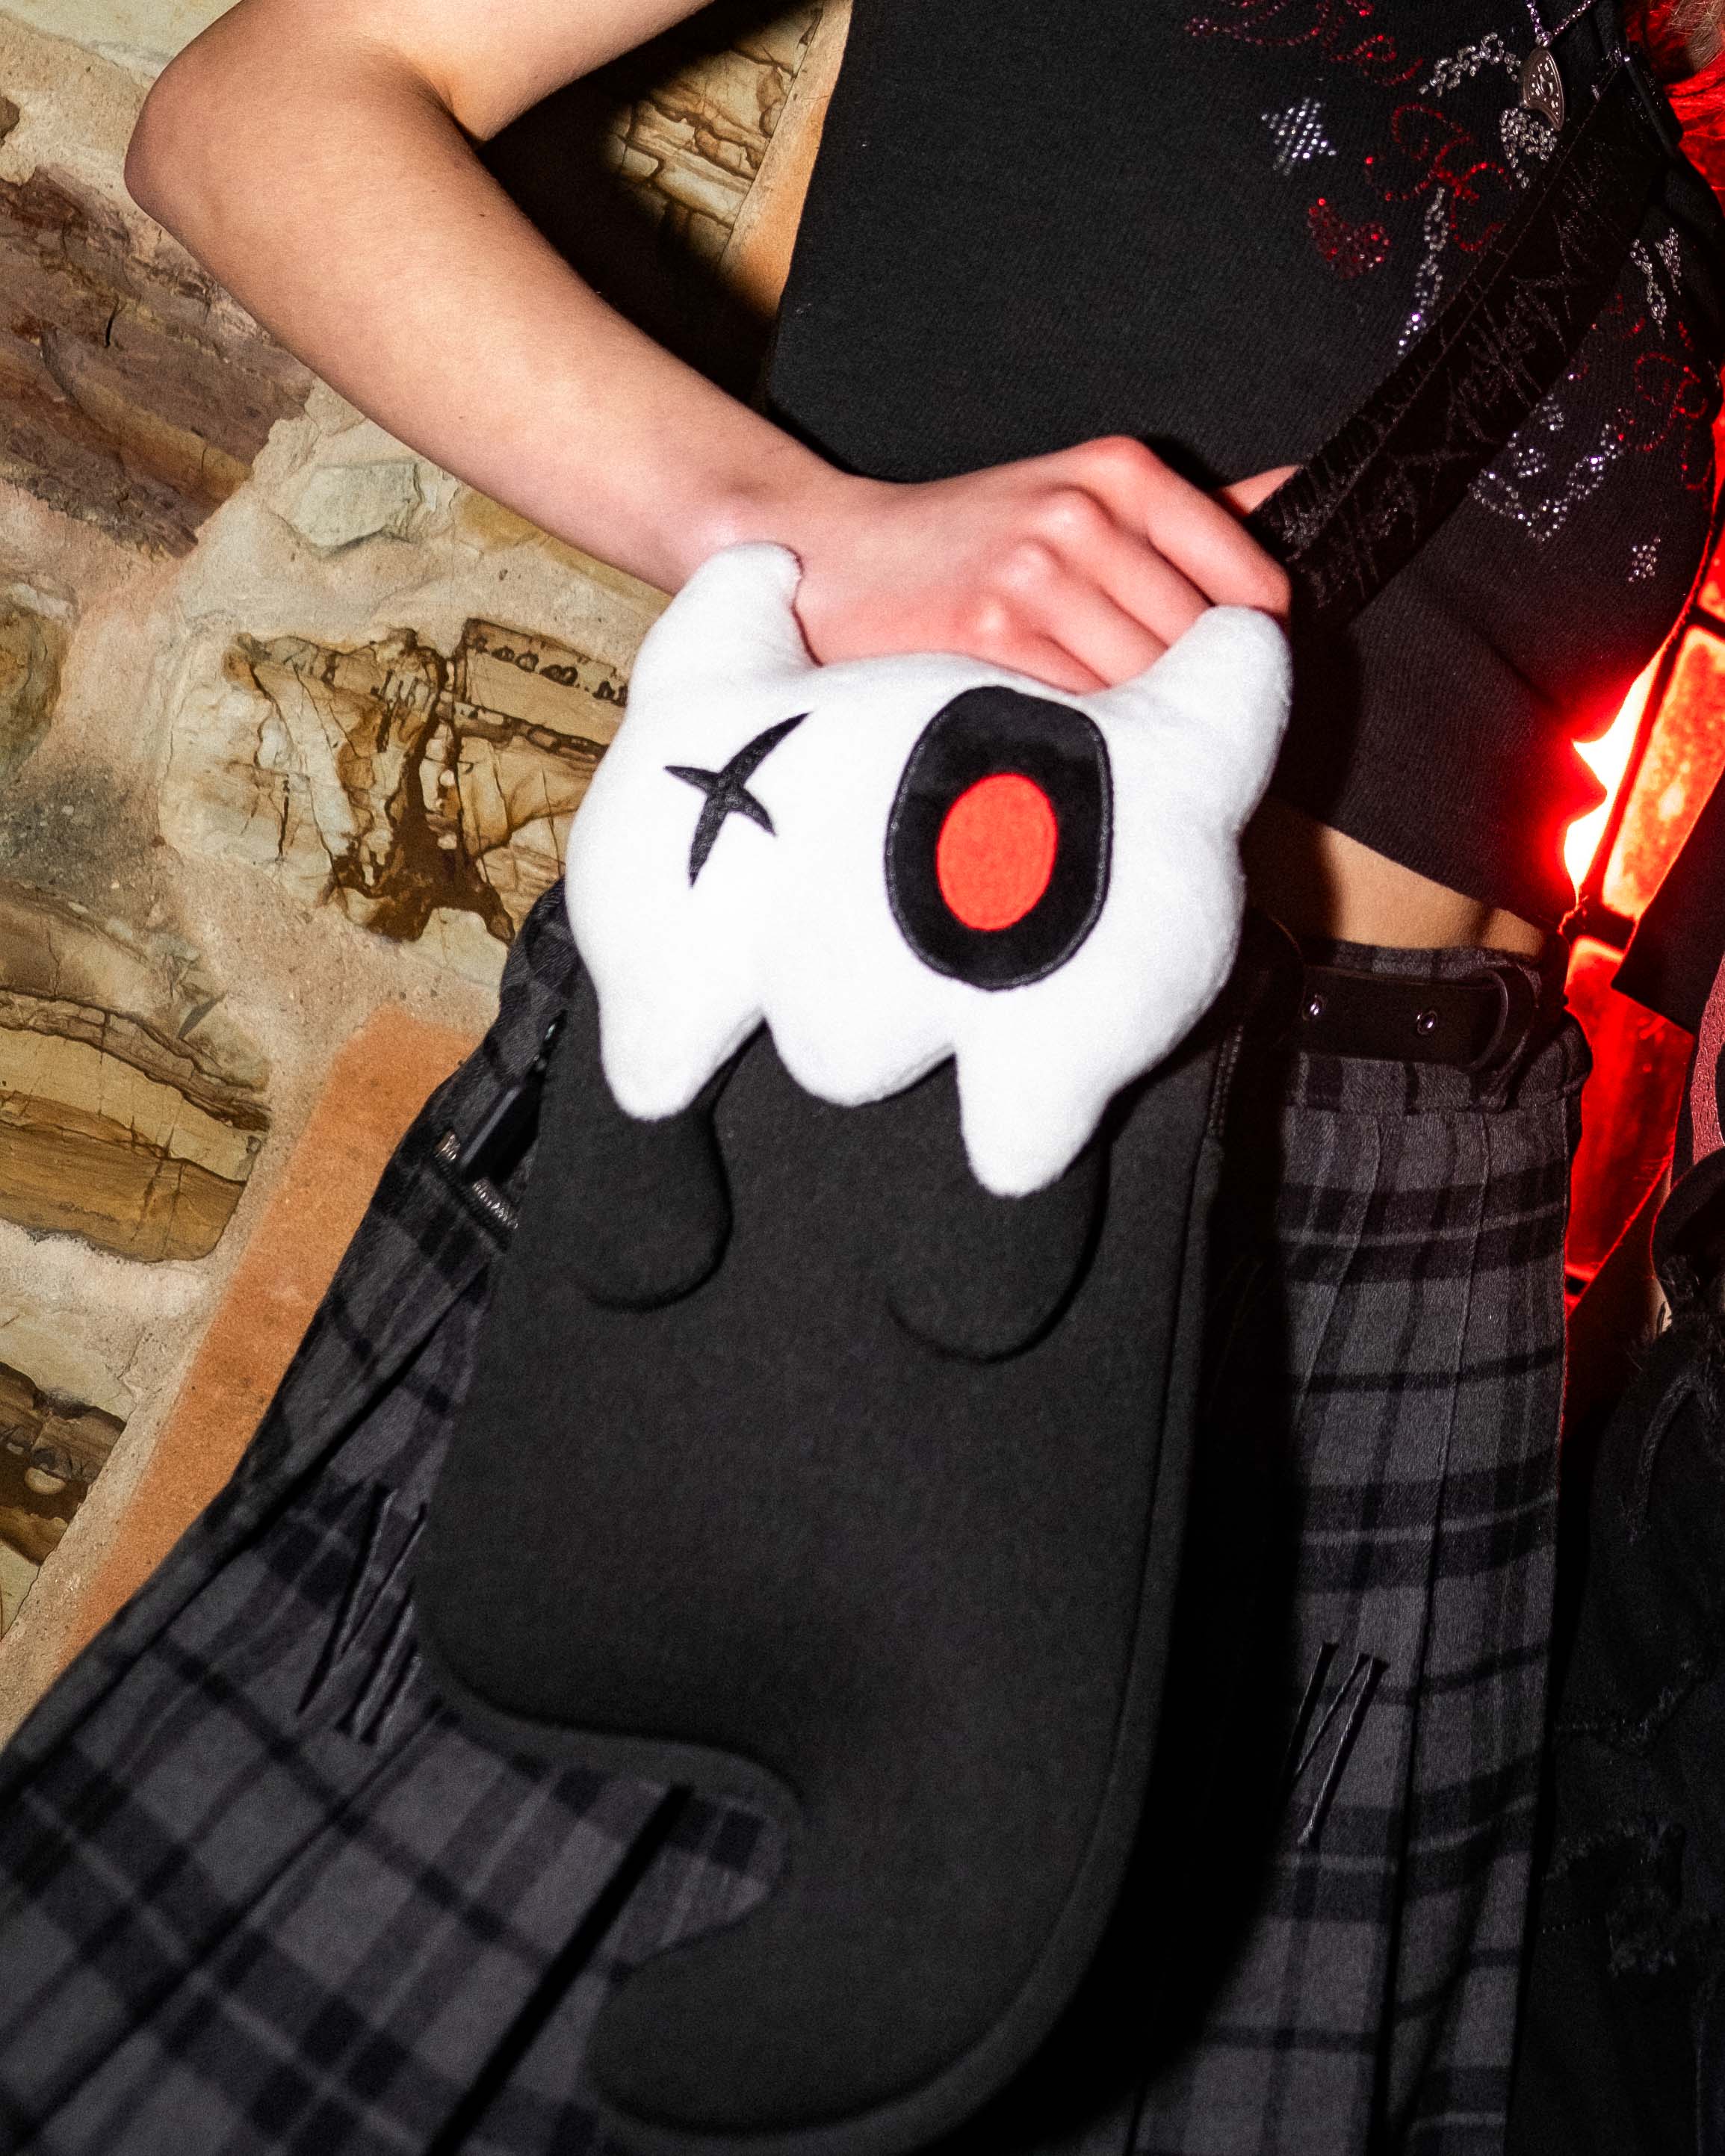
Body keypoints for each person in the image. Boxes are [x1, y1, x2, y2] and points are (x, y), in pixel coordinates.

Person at [0, 0, 1720, 2151]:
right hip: (874, 1105)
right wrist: (793, 527)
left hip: (1397, 1298)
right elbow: (260, 116)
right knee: (385, 2025)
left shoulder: (1664, 160)